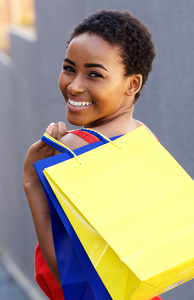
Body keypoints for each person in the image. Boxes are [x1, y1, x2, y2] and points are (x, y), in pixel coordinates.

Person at [23, 9, 160, 300]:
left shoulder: (76, 147)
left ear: (132, 84)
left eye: (94, 74)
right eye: (69, 68)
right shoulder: (145, 137)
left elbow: (67, 275)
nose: (74, 85)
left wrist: (32, 181)